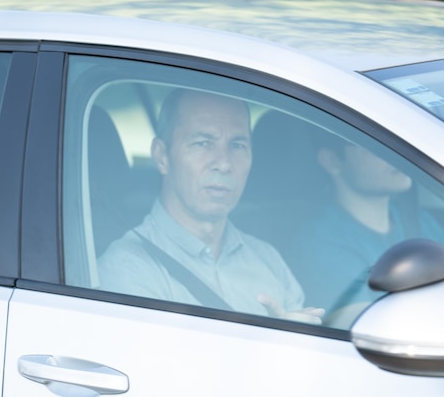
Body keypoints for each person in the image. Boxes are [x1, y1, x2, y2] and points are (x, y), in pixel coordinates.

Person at [98, 88, 324, 324]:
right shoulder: (127, 268)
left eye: (237, 145)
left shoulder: (268, 259)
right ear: (162, 156)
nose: (224, 163)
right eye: (203, 143)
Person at [288, 135, 444, 327]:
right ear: (332, 161)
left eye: (398, 141)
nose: (396, 152)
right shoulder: (319, 244)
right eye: (373, 143)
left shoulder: (419, 220)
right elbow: (373, 324)